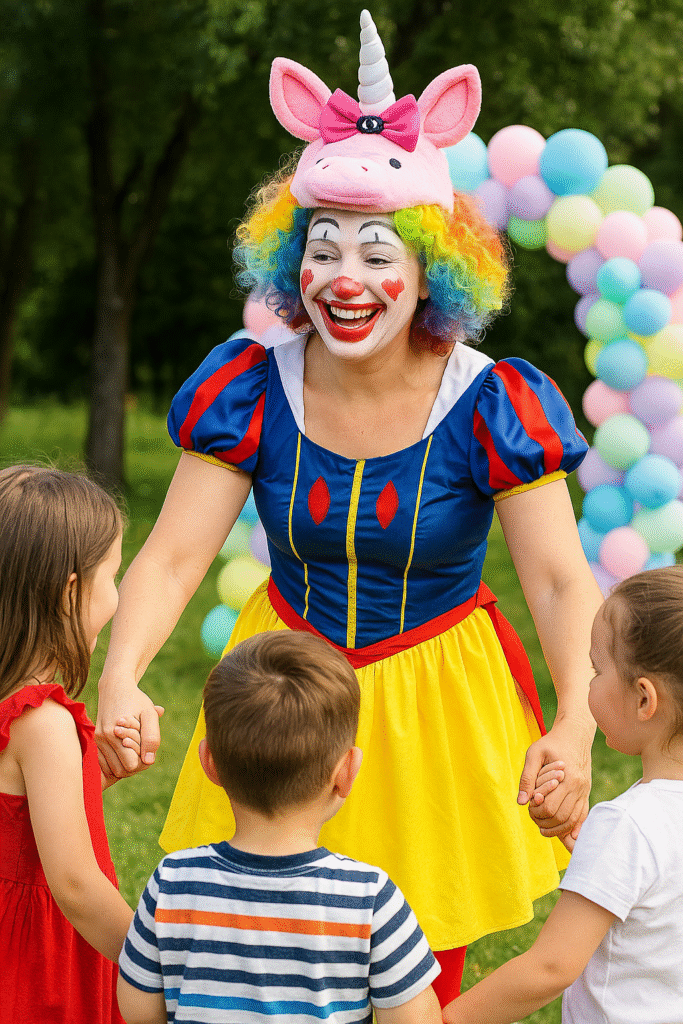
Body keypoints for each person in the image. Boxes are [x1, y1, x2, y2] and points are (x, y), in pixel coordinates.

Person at [95, 11, 602, 1005]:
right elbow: (168, 561)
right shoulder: (249, 385)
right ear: (292, 259)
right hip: (281, 693)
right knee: (258, 962)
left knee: (415, 971)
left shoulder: (491, 402)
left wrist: (576, 722)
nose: (346, 278)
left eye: (378, 254)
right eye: (323, 248)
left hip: (437, 708)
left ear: (431, 271)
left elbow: (554, 578)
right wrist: (119, 675)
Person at [117, 630, 441, 1024]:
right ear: (347, 772)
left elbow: (137, 1010)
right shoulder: (370, 900)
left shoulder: (172, 883)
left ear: (209, 764)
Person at [442, 565, 683, 1024]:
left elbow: (551, 968)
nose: (588, 683)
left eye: (596, 669)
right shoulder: (634, 831)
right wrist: (605, 854)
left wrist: (445, 1021)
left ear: (644, 700)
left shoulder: (630, 826)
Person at [0, 465, 147, 1024]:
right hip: (39, 958)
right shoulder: (45, 721)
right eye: (112, 576)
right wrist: (151, 965)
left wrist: (90, 781)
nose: (115, 596)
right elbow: (76, 883)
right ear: (70, 592)